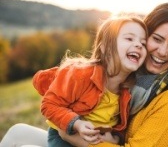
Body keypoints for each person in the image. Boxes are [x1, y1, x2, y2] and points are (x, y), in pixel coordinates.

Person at [0, 2, 168, 147]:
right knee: (18, 131)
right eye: (157, 39)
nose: (162, 51)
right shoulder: (137, 81)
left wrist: (73, 133)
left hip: (84, 141)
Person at [0, 16, 147, 147]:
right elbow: (49, 105)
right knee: (18, 134)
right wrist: (77, 124)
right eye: (129, 38)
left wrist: (116, 138)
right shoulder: (81, 74)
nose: (139, 45)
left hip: (93, 143)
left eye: (143, 43)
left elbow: (119, 127)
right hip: (64, 137)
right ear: (105, 47)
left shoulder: (129, 91)